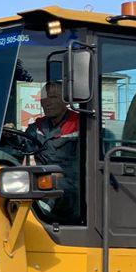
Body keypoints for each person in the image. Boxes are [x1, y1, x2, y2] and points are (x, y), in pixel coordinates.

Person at [24, 82, 82, 221]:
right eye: (44, 98)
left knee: (50, 185)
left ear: (66, 100)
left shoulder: (81, 125)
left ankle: (36, 219)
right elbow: (23, 147)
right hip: (41, 180)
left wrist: (62, 174)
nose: (48, 102)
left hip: (73, 184)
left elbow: (88, 161)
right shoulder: (36, 127)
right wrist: (8, 139)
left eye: (54, 97)